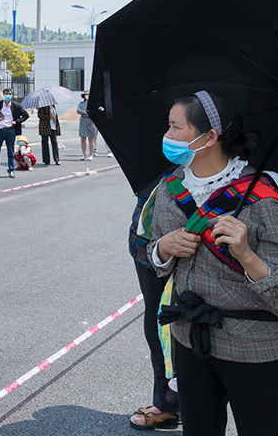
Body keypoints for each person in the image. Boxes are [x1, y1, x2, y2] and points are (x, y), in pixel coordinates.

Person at [145, 91, 278, 436]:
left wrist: (246, 254)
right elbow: (156, 262)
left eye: (175, 127)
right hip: (190, 342)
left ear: (210, 137)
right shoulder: (170, 188)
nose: (167, 136)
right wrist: (164, 247)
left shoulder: (266, 197)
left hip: (257, 349)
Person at [128, 171, 180, 430]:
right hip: (147, 244)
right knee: (159, 321)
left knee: (184, 325)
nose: (168, 135)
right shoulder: (161, 168)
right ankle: (168, 401)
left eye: (175, 126)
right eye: (169, 126)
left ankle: (180, 402)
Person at [0, 88, 29, 179]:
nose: (7, 95)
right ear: (3, 94)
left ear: (12, 95)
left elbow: (25, 115)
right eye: (6, 93)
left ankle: (11, 170)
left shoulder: (16, 105)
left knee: (11, 152)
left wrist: (16, 122)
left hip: (10, 130)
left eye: (9, 93)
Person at [77, 91, 97, 160]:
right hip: (83, 121)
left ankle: (90, 154)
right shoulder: (81, 103)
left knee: (91, 138)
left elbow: (94, 111)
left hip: (91, 121)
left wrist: (86, 112)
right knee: (83, 138)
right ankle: (84, 154)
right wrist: (85, 112)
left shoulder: (93, 104)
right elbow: (78, 110)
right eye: (86, 95)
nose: (87, 96)